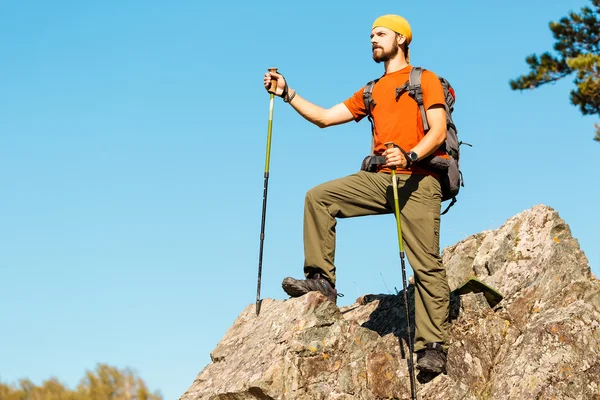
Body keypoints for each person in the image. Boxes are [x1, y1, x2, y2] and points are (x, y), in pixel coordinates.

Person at [263, 14, 450, 374]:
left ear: (402, 38)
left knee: (425, 263)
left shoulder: (423, 79)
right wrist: (287, 92)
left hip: (419, 179)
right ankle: (321, 281)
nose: (373, 40)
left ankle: (433, 346)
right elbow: (324, 117)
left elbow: (438, 131)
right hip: (382, 179)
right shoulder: (372, 90)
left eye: (380, 34)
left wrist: (411, 154)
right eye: (370, 36)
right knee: (319, 197)